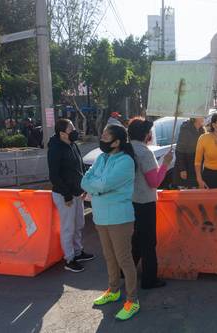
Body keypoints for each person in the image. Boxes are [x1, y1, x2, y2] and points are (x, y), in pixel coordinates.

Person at [81, 125, 140, 321]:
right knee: (109, 256)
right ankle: (113, 290)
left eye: (107, 136)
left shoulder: (126, 161)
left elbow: (104, 184)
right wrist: (96, 186)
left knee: (124, 259)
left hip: (119, 218)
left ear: (117, 142)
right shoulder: (102, 158)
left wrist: (95, 187)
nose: (102, 138)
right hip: (101, 216)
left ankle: (132, 300)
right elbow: (86, 180)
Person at [127, 118, 173, 289]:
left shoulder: (125, 149)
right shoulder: (145, 152)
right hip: (145, 201)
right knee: (148, 242)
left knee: (137, 238)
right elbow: (154, 182)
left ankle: (126, 272)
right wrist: (165, 164)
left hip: (129, 200)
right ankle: (149, 279)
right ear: (146, 134)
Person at [47, 118, 95, 273]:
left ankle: (78, 252)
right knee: (68, 227)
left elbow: (80, 167)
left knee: (79, 224)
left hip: (77, 192)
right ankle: (69, 259)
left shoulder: (73, 145)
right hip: (64, 195)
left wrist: (84, 186)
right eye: (71, 129)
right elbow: (54, 175)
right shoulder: (55, 149)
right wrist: (67, 195)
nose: (75, 131)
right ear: (62, 133)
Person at [173, 117, 205, 188]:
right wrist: (182, 169)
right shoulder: (186, 129)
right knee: (186, 195)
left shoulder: (202, 130)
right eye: (201, 114)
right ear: (195, 117)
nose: (204, 116)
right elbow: (179, 151)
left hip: (196, 168)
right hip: (186, 169)